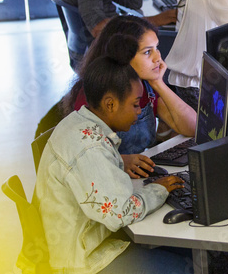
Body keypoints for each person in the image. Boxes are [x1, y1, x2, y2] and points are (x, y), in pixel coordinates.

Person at [36, 46, 191, 274]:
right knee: (188, 267)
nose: (139, 111)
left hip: (85, 244)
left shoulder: (80, 123)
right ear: (110, 104)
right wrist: (158, 190)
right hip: (86, 262)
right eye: (135, 104)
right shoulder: (89, 147)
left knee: (186, 249)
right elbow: (120, 214)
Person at [61, 16, 197, 177]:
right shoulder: (94, 96)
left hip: (135, 176)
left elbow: (192, 126)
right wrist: (121, 160)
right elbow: (83, 156)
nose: (158, 58)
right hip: (105, 178)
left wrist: (158, 82)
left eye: (156, 48)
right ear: (122, 56)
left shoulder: (145, 86)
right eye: (147, 52)